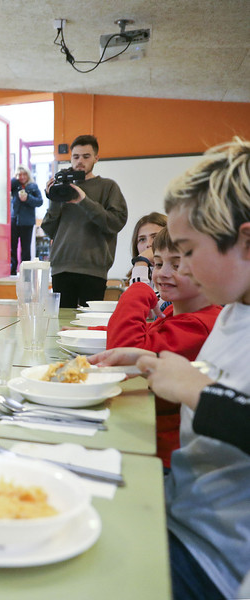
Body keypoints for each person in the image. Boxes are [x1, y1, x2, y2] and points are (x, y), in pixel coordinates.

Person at [91, 138, 250, 600]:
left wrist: (200, 391)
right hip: (180, 511)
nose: (179, 269)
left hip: (212, 561)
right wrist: (151, 361)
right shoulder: (235, 308)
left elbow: (216, 393)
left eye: (188, 253)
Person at [99, 227, 221, 468]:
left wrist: (138, 290)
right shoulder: (175, 312)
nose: (162, 274)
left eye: (176, 265)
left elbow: (126, 349)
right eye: (158, 264)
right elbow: (144, 338)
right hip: (148, 425)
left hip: (162, 449)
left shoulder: (197, 324)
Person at [41, 135, 128, 308]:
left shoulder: (108, 186)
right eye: (76, 156)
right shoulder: (63, 188)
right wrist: (54, 199)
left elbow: (115, 222)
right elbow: (50, 230)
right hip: (61, 268)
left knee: (89, 325)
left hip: (93, 269)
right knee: (62, 324)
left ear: (96, 158)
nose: (80, 161)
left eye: (86, 156)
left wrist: (83, 200)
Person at [9, 166, 44, 276]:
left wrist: (28, 198)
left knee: (26, 249)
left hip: (27, 222)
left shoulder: (33, 186)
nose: (22, 177)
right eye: (19, 175)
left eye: (24, 174)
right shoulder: (14, 186)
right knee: (12, 247)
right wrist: (15, 179)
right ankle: (12, 271)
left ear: (28, 175)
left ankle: (26, 274)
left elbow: (39, 202)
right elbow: (7, 185)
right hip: (14, 219)